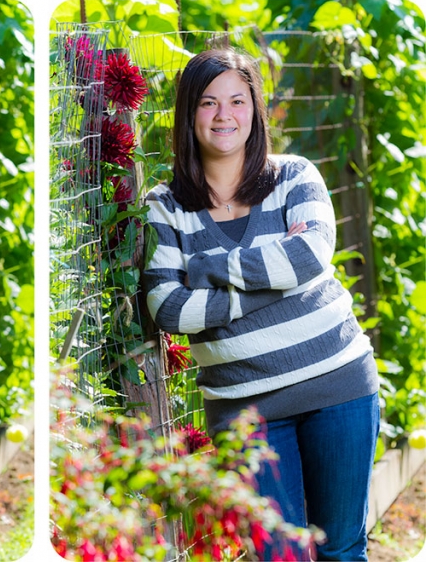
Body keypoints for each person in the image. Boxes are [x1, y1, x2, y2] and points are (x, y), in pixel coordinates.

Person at [142, 48, 379, 561]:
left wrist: (205, 269)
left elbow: (311, 255)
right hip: (243, 409)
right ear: (189, 113)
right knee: (278, 556)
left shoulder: (295, 176)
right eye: (208, 103)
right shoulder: (165, 205)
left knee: (341, 549)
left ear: (255, 109)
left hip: (337, 385)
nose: (224, 116)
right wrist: (275, 276)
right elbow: (169, 308)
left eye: (237, 100)